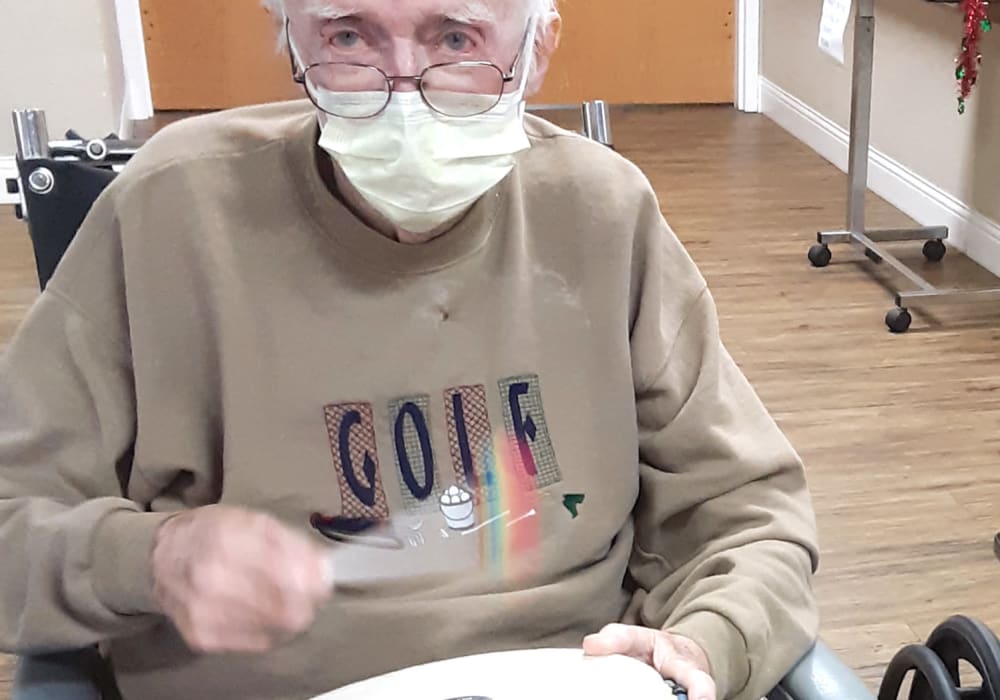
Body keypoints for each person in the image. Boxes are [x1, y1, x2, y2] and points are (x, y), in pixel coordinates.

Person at [0, 1, 821, 698]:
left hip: (563, 673)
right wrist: (145, 560)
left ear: (537, 50)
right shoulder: (168, 214)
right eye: (349, 37)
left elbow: (750, 516)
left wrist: (713, 640)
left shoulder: (604, 215)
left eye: (456, 40)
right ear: (292, 42)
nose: (403, 96)